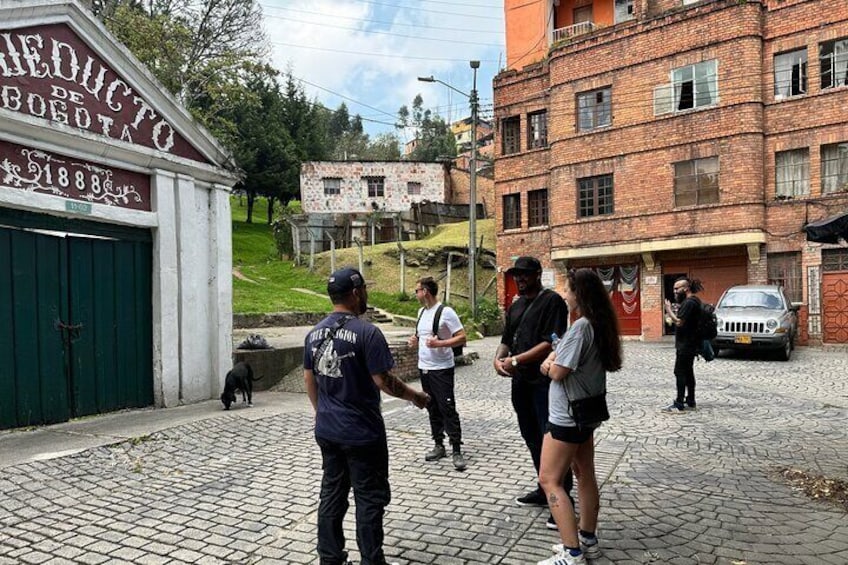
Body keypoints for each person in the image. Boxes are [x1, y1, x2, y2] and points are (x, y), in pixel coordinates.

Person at [304, 267, 430, 565]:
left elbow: (310, 379)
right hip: (362, 432)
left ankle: (330, 558)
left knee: (332, 494)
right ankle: (372, 560)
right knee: (369, 498)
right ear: (357, 292)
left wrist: (322, 413)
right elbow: (383, 381)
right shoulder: (367, 332)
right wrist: (417, 397)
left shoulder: (313, 334)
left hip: (328, 429)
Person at [537, 268, 623, 565]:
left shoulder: (581, 327)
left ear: (579, 294)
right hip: (587, 414)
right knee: (584, 473)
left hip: (567, 416)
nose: (564, 294)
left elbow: (559, 370)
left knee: (549, 479)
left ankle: (572, 552)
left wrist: (547, 366)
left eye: (568, 289)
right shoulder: (600, 324)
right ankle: (588, 539)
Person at [493, 256, 573, 530]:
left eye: (525, 274)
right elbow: (506, 339)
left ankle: (562, 499)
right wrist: (498, 359)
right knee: (531, 437)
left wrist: (516, 360)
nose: (520, 278)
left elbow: (550, 341)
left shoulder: (552, 302)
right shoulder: (516, 305)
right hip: (521, 384)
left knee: (550, 439)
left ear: (538, 274)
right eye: (517, 274)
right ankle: (544, 489)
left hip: (543, 383)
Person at [407, 276, 468, 471]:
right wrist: (414, 341)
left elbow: (462, 337)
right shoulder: (420, 312)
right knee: (431, 406)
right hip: (424, 367)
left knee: (447, 407)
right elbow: (421, 335)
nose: (415, 294)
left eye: (417, 290)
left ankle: (456, 449)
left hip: (442, 368)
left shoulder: (446, 312)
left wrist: (439, 343)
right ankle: (438, 444)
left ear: (425, 291)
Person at [662, 276, 703, 412]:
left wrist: (668, 309)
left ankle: (679, 404)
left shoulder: (689, 303)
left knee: (679, 372)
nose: (674, 291)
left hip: (686, 345)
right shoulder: (694, 301)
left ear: (685, 288)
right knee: (688, 372)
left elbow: (679, 322)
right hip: (690, 344)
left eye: (676, 288)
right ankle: (690, 400)